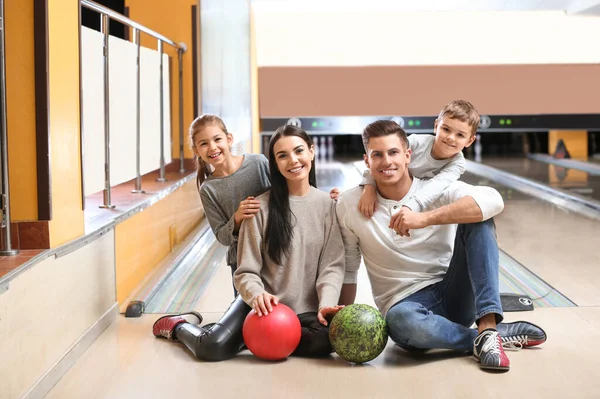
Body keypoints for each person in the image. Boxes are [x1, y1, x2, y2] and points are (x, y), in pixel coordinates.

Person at [336, 120, 547, 372]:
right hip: (405, 306)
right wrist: (341, 321)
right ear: (366, 162)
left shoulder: (435, 188)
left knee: (479, 218)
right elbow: (349, 266)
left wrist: (424, 217)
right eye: (377, 155)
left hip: (453, 292)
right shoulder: (350, 204)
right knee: (399, 321)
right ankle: (486, 338)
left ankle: (488, 326)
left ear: (407, 155)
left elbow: (493, 199)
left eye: (393, 152)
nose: (387, 161)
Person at [152, 124, 345, 361]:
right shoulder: (259, 208)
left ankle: (247, 337)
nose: (293, 160)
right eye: (282, 155)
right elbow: (245, 271)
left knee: (327, 340)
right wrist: (256, 296)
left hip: (305, 309)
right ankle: (178, 325)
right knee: (210, 347)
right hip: (262, 307)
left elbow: (332, 266)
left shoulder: (330, 206)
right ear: (273, 163)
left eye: (299, 151)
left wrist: (326, 304)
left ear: (312, 152)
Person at [357, 100, 477, 225]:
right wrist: (368, 187)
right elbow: (380, 162)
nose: (451, 138)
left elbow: (436, 185)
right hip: (396, 188)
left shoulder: (458, 163)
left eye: (460, 135)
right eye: (446, 129)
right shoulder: (416, 142)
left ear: (470, 141)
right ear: (436, 126)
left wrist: (409, 207)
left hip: (420, 200)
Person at [190, 114, 271, 297]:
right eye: (203, 143)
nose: (212, 147)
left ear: (229, 139)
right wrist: (236, 217)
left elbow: (286, 197)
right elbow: (223, 237)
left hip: (273, 250)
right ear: (196, 150)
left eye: (217, 139)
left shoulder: (258, 163)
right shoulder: (208, 189)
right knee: (248, 322)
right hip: (241, 260)